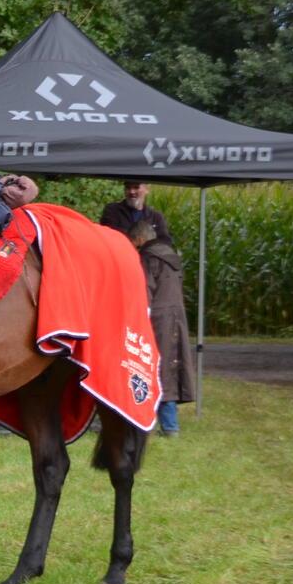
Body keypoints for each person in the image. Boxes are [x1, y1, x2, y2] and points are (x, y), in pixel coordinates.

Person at [129, 219, 197, 435]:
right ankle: (169, 424)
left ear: (140, 239)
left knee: (153, 368)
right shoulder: (171, 257)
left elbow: (144, 291)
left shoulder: (148, 258)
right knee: (170, 367)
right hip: (176, 317)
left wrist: (137, 319)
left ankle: (165, 425)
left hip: (157, 320)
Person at [100, 180, 172, 244]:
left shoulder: (156, 217)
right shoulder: (113, 210)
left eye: (136, 187)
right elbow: (108, 234)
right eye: (128, 188)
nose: (132, 192)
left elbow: (165, 242)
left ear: (147, 189)